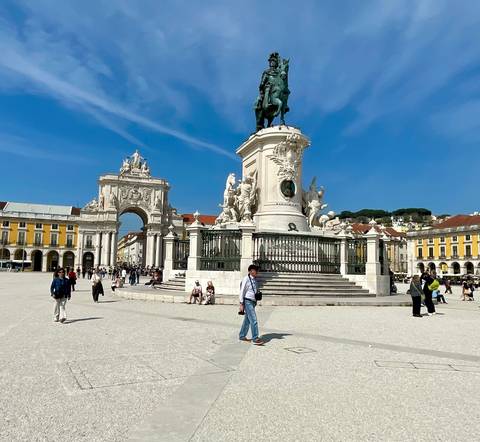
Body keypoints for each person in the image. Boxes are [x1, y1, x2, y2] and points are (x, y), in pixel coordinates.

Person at [239, 264, 264, 345]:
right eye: (255, 270)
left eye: (257, 270)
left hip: (253, 302)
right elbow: (242, 291)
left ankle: (242, 335)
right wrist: (241, 303)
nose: (257, 271)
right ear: (250, 271)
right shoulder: (246, 279)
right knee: (254, 320)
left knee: (247, 320)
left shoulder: (254, 280)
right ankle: (255, 338)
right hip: (247, 301)